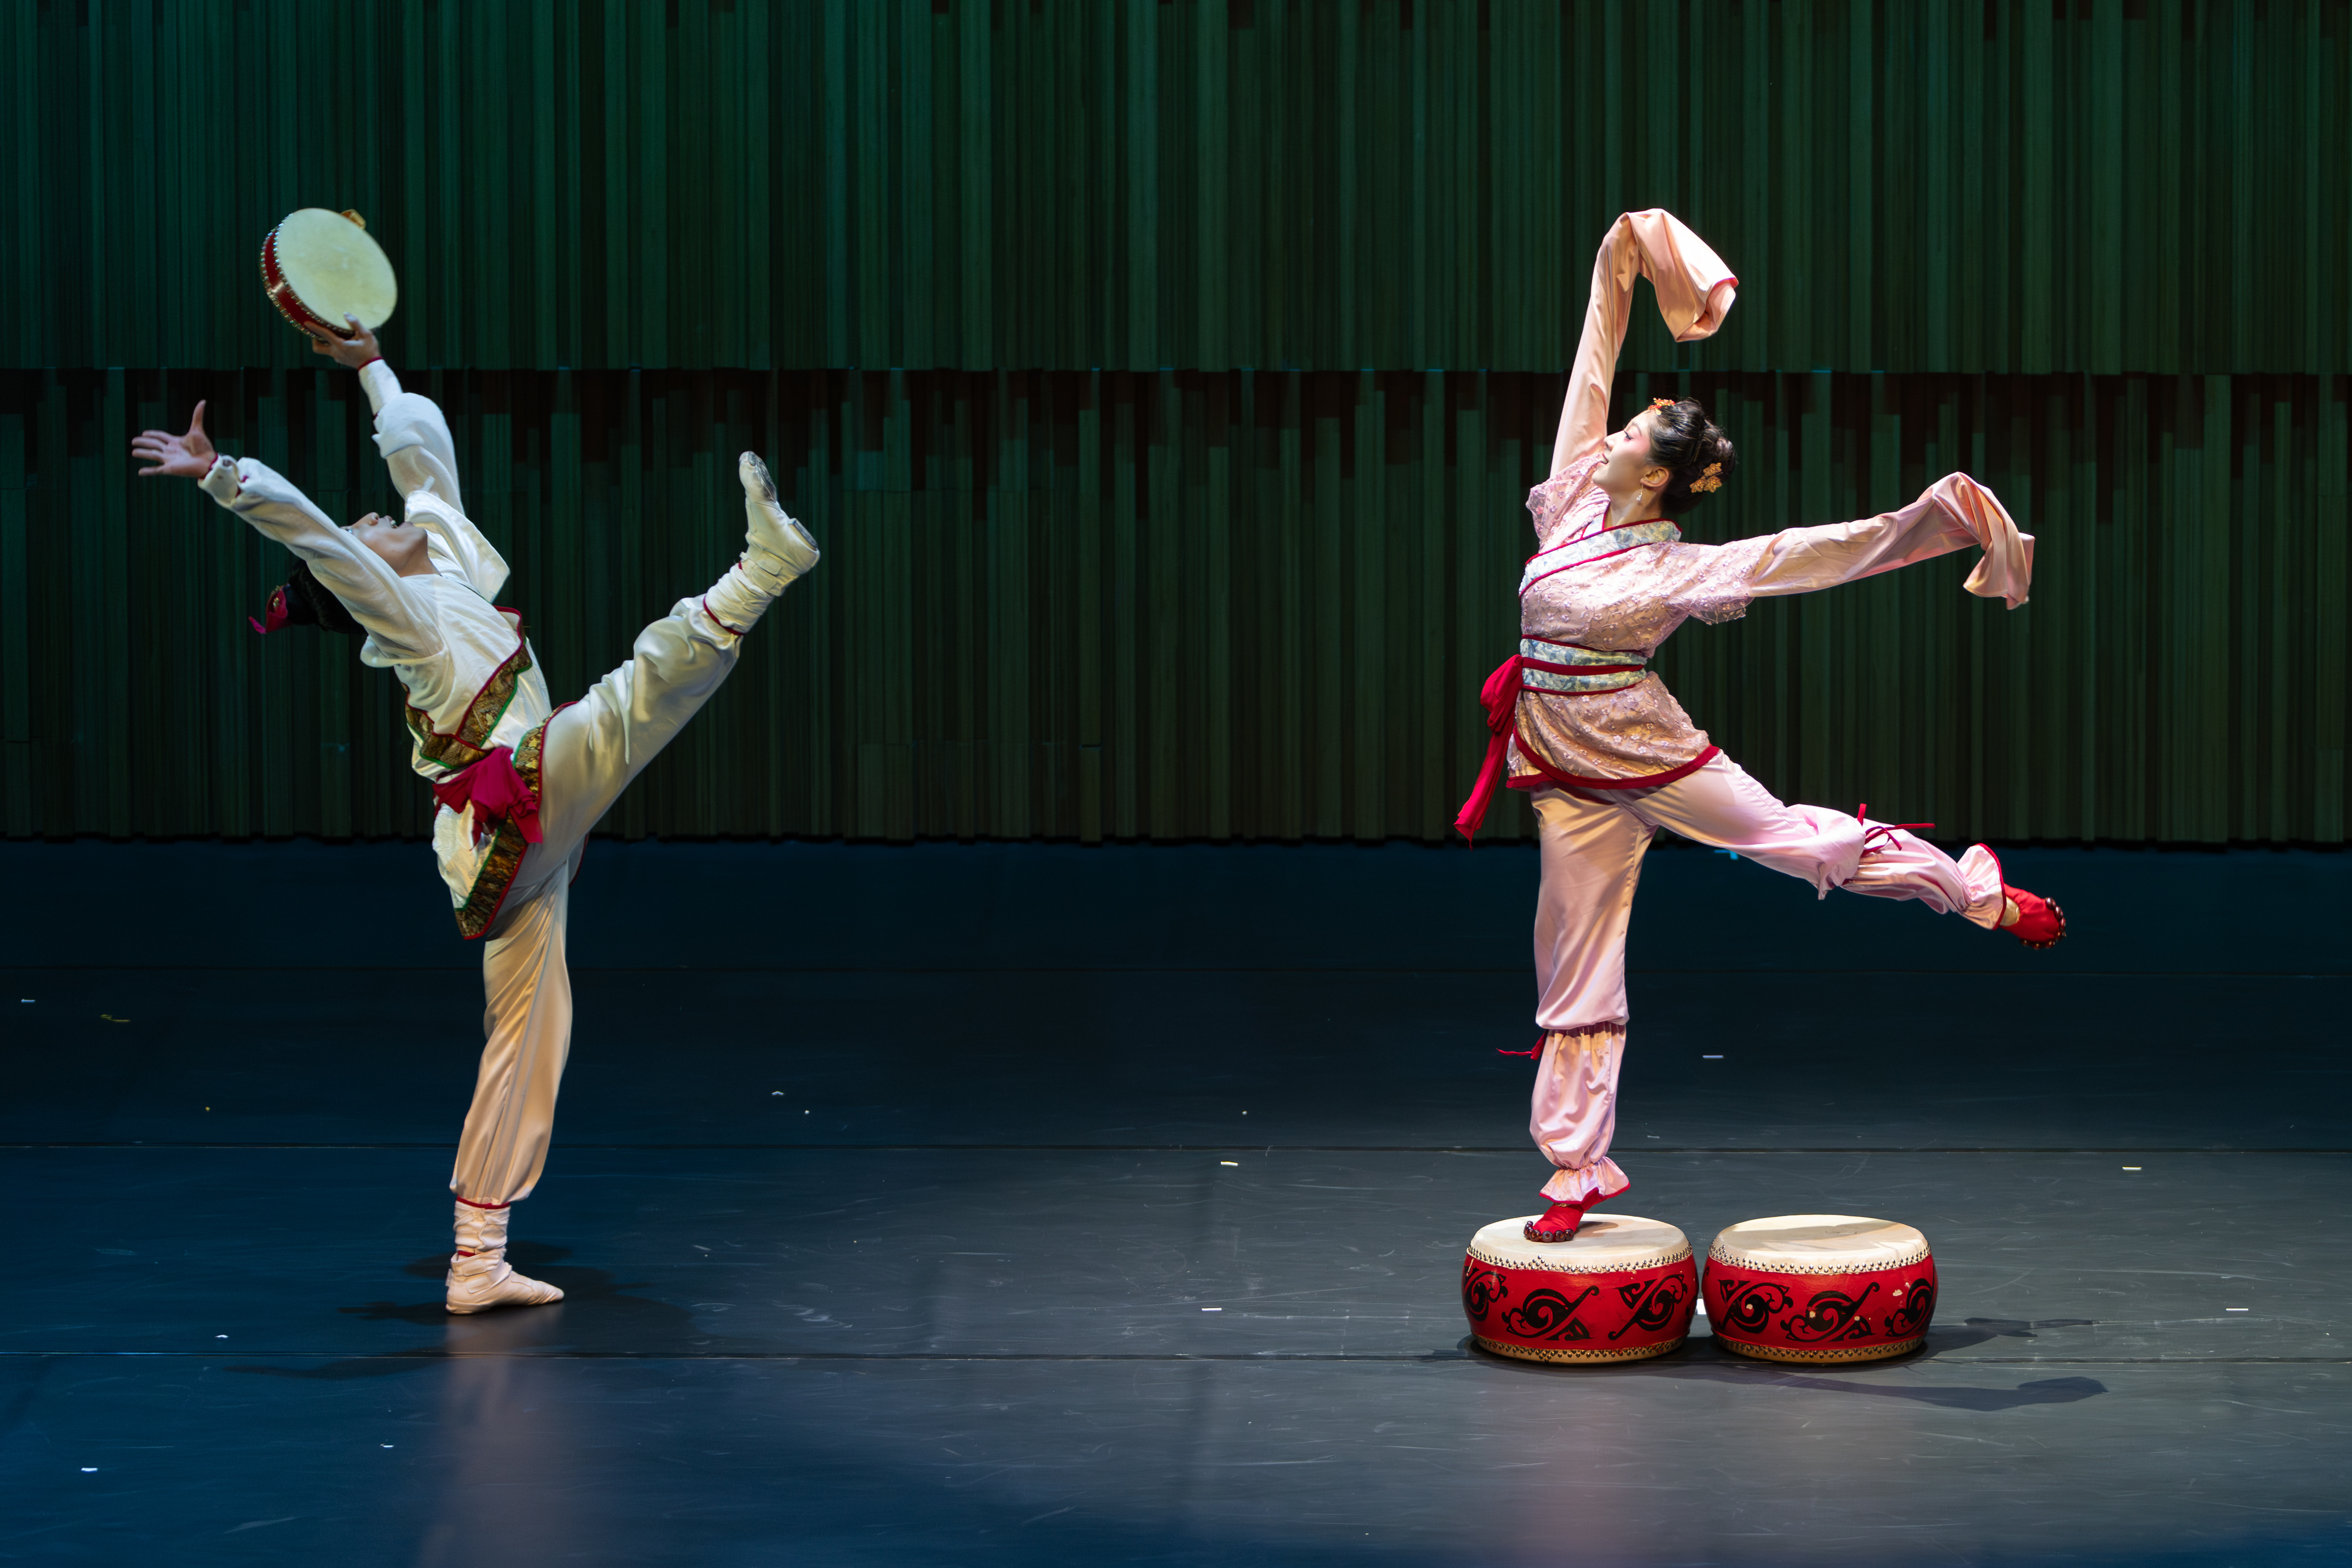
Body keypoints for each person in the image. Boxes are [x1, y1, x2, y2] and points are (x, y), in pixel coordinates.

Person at [132, 316, 820, 1310]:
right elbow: (322, 540)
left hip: (525, 838)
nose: (377, 518)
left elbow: (422, 459)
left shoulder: (444, 565)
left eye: (376, 521)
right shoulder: (407, 619)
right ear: (369, 577)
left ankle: (475, 1259)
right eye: (369, 530)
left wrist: (372, 368)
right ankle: (761, 571)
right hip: (518, 809)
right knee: (624, 705)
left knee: (531, 1034)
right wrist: (221, 475)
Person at [1455, 210, 2064, 1244]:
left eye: (1630, 441)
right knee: (1570, 965)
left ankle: (1971, 887)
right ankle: (1577, 1172)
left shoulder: (1676, 565)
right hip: (1562, 770)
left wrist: (1937, 519)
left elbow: (1807, 552)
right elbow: (1590, 371)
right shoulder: (1571, 507)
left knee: (1798, 842)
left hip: (1651, 755)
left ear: (1653, 477)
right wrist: (1622, 265)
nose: (1607, 439)